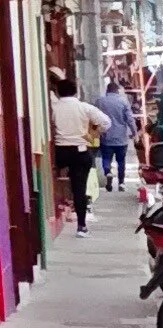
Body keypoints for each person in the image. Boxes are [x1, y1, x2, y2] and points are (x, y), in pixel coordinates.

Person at [48, 77, 99, 233]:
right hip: (80, 150)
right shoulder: (84, 107)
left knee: (57, 179)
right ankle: (81, 226)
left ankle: (58, 207)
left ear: (57, 92)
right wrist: (91, 134)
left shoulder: (54, 107)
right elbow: (106, 122)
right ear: (75, 91)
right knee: (79, 189)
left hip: (60, 151)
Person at [97, 74, 135, 192]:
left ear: (107, 90)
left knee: (106, 158)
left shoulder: (100, 102)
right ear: (117, 91)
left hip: (105, 136)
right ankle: (121, 183)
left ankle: (108, 172)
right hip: (121, 138)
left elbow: (95, 118)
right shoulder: (123, 102)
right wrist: (134, 132)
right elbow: (129, 119)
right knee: (121, 161)